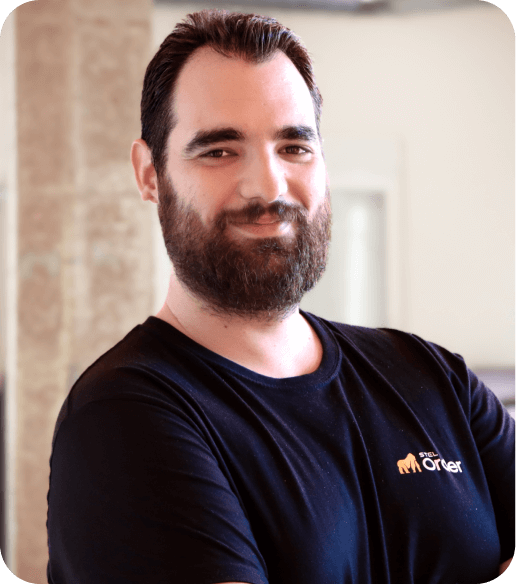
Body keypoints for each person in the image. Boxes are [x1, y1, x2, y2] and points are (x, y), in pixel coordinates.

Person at [46, 9, 514, 584]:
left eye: (294, 147)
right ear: (149, 174)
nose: (268, 187)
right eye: (219, 150)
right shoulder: (123, 418)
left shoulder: (436, 380)